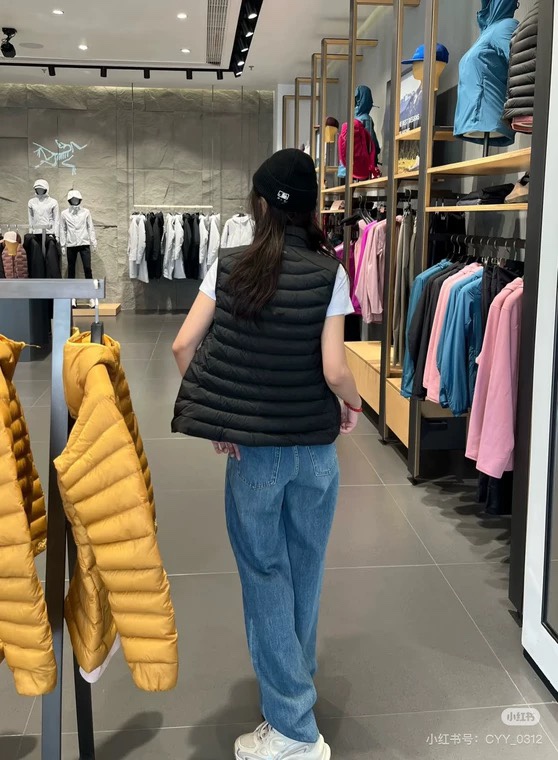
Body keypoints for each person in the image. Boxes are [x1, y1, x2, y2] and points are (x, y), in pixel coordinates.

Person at [172, 148, 362, 760]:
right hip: (315, 452)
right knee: (305, 570)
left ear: (259, 204)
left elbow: (182, 346)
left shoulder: (228, 267)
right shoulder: (331, 271)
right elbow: (334, 369)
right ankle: (292, 689)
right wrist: (354, 404)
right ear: (310, 210)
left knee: (264, 575)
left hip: (255, 454)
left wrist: (222, 415)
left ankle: (294, 730)